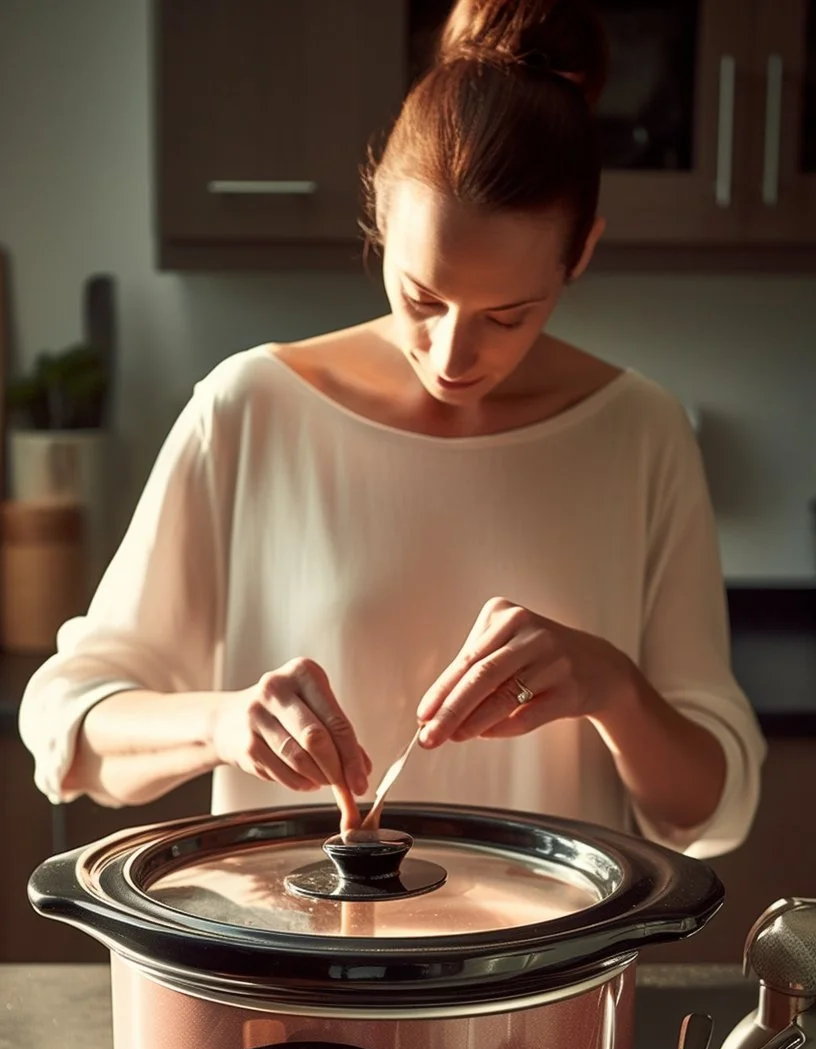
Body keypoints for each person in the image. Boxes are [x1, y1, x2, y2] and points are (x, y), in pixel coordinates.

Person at [19, 0, 765, 859]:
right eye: (421, 297)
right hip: (288, 979)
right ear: (378, 212)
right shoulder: (249, 409)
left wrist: (614, 689)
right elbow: (67, 724)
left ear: (582, 252)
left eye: (508, 316)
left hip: (541, 983)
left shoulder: (643, 436)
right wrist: (225, 723)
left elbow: (711, 811)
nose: (452, 354)